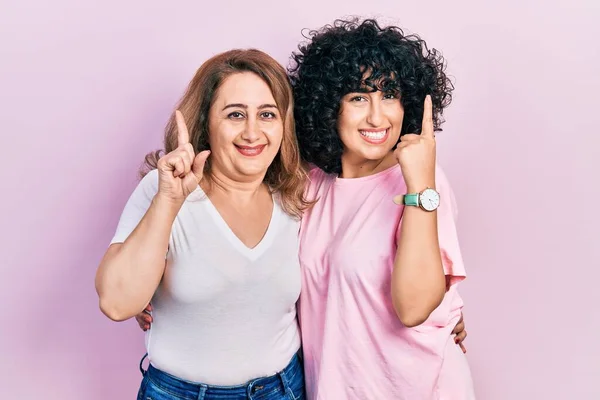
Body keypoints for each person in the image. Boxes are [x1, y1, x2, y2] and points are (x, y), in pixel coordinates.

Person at [95, 49, 308, 400]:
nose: (252, 132)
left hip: (283, 388)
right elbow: (117, 303)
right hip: (181, 393)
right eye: (235, 114)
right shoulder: (165, 190)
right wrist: (169, 201)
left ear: (283, 125)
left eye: (267, 114)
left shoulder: (295, 195)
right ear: (207, 123)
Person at [288, 18, 475, 399]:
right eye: (359, 97)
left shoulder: (422, 181)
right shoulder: (309, 184)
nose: (378, 116)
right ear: (329, 105)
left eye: (389, 94)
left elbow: (413, 307)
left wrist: (421, 185)